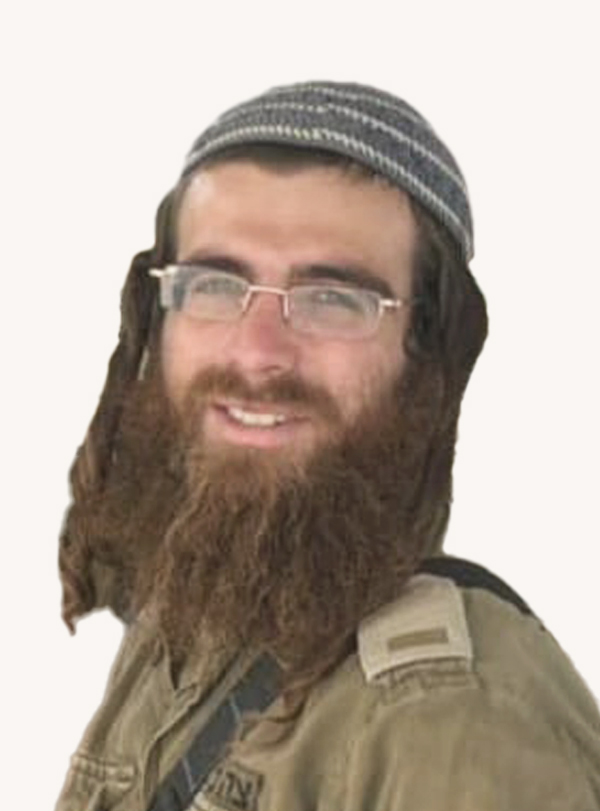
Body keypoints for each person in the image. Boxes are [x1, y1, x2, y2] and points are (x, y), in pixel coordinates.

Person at [55, 81, 600, 811]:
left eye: (332, 300)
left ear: (425, 356)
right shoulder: (194, 617)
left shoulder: (450, 727)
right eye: (214, 284)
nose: (257, 352)